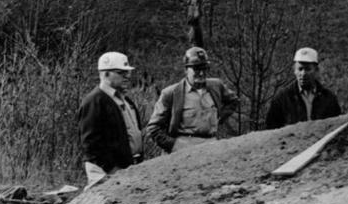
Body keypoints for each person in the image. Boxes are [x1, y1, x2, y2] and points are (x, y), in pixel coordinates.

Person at [146, 46, 240, 154]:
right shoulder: (171, 93)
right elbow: (153, 128)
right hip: (184, 148)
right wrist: (173, 145)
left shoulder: (216, 86)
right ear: (186, 70)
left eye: (204, 68)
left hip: (212, 145)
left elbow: (233, 101)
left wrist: (220, 117)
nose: (201, 73)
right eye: (196, 69)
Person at [78, 51, 144, 187]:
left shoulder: (125, 100)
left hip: (126, 169)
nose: (127, 77)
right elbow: (90, 144)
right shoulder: (94, 101)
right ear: (106, 74)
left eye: (128, 73)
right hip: (106, 173)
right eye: (121, 72)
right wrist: (112, 168)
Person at [264, 47, 341, 129]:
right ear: (294, 70)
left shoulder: (328, 99)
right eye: (300, 69)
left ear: (316, 70)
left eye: (308, 69)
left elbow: (336, 128)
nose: (303, 73)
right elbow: (271, 130)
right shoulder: (282, 98)